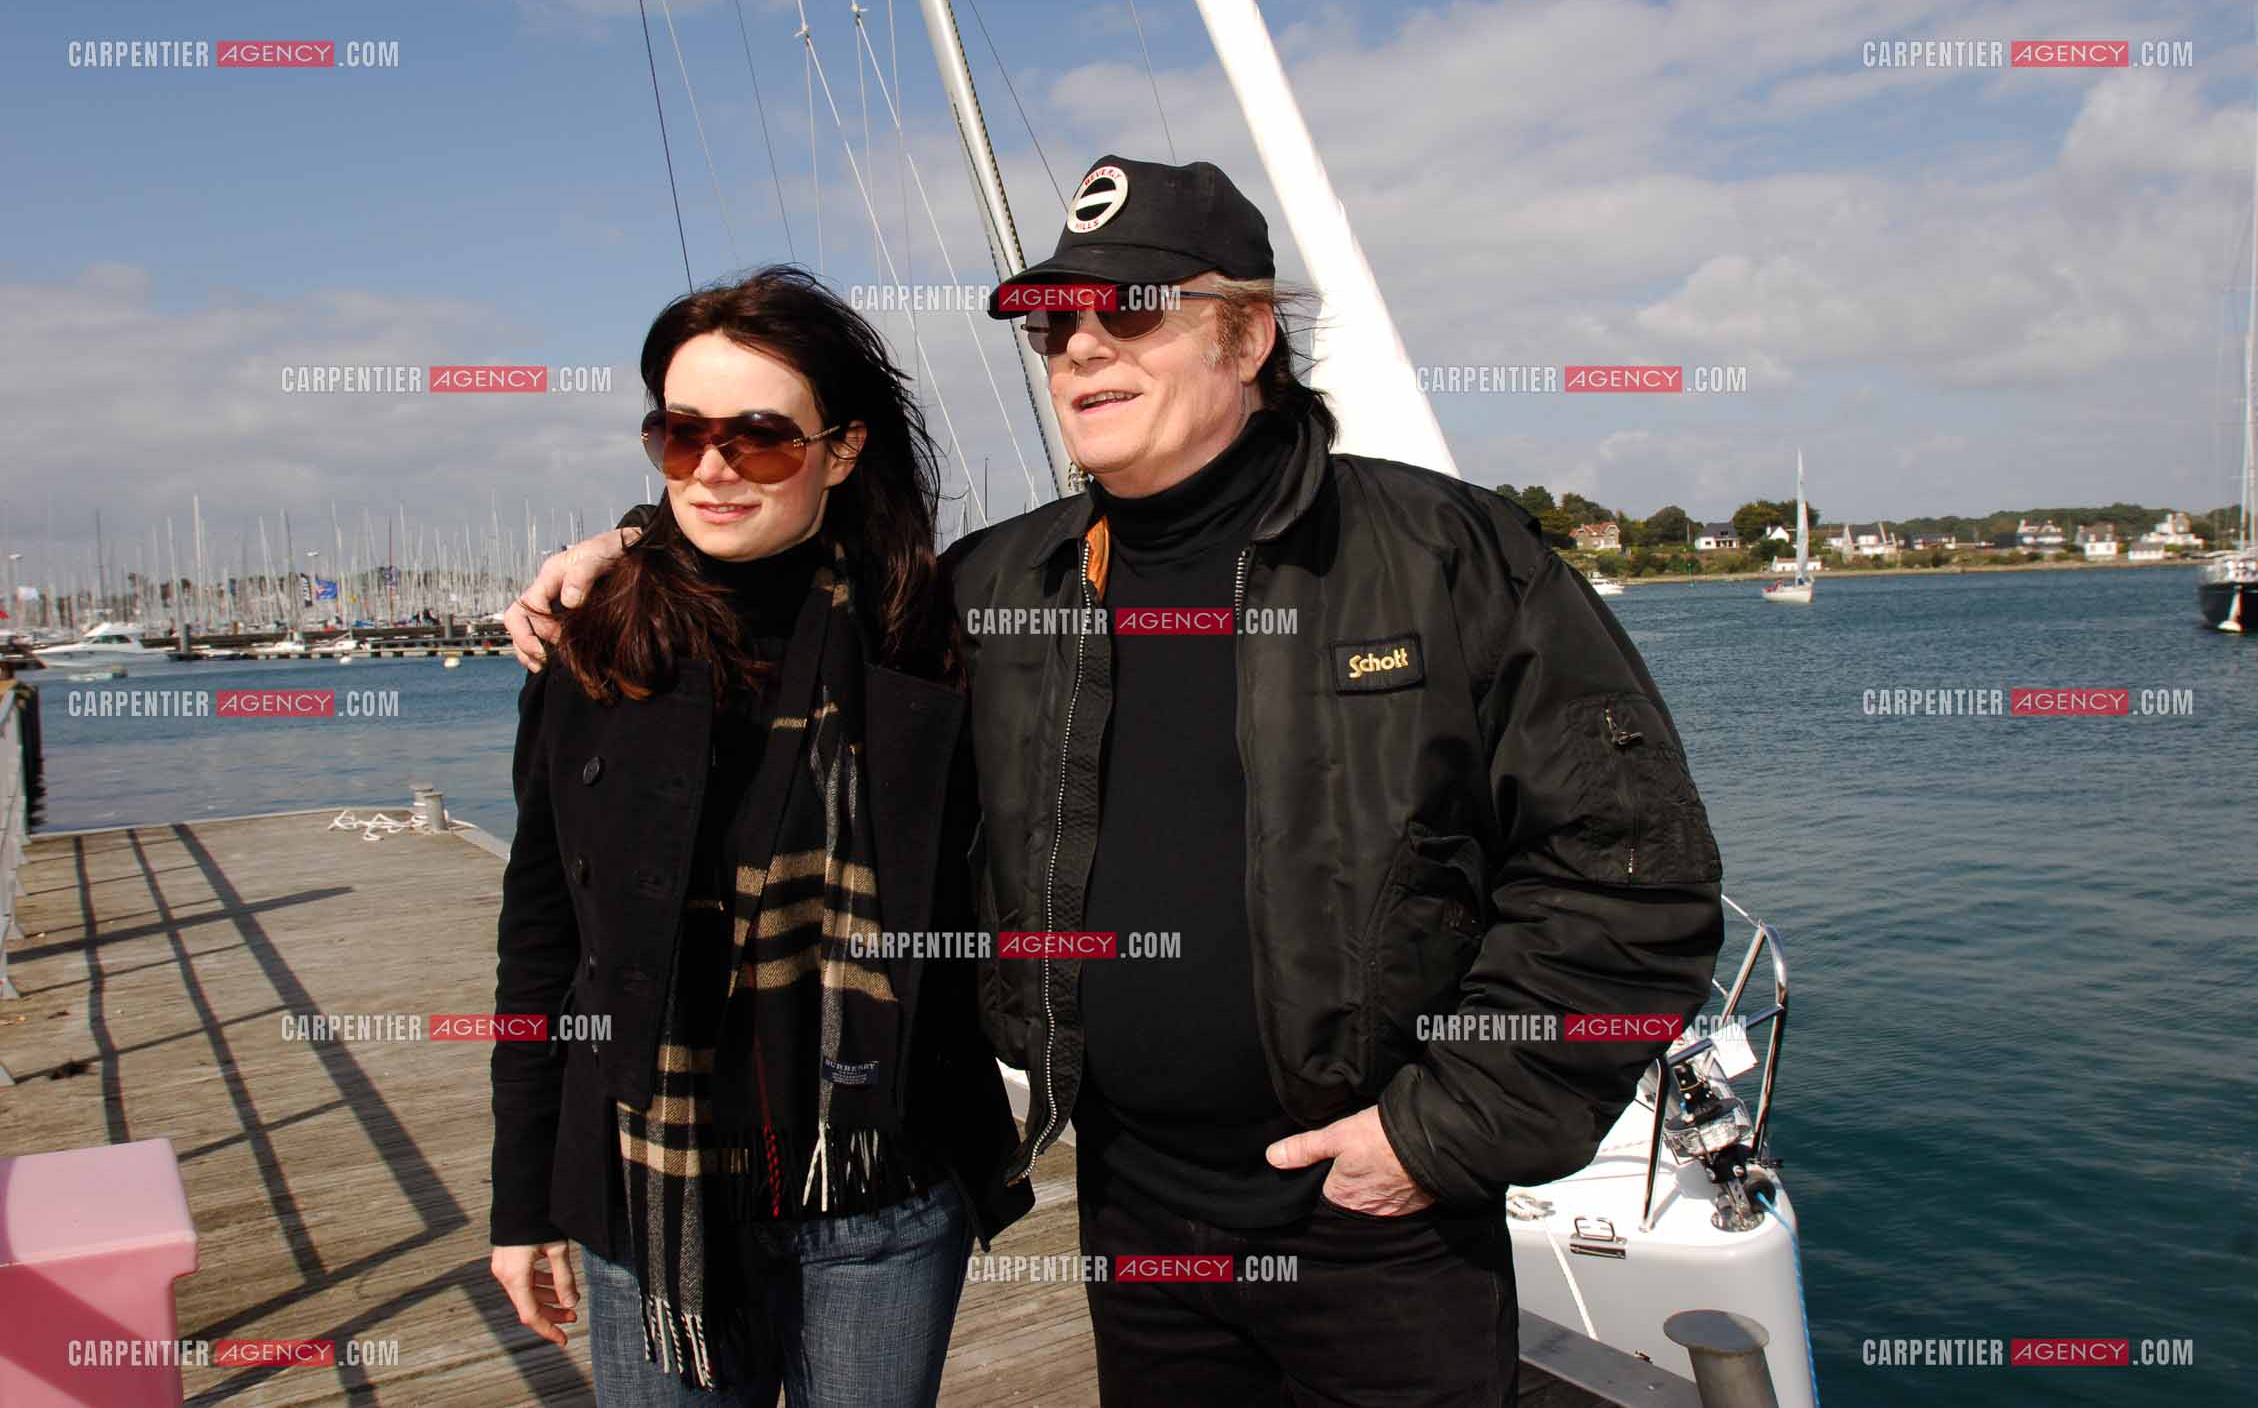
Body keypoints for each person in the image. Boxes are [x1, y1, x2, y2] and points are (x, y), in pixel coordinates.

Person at [508, 157, 1724, 1406]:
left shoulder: (1448, 559)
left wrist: (1436, 1130)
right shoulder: (994, 589)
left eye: (1132, 309)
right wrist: (629, 549)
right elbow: (784, 577)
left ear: (1247, 334)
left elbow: (1631, 878)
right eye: (1052, 323)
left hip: (1374, 1220)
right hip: (1135, 1211)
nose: (1082, 347)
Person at [489, 265, 1030, 1405]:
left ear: (840, 449)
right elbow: (541, 943)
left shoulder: (926, 633)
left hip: (878, 1195)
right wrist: (522, 1199)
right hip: (651, 1202)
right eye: (680, 436)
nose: (714, 467)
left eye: (759, 437)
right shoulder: (594, 649)